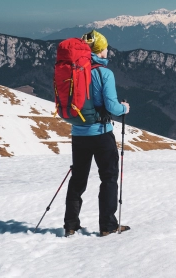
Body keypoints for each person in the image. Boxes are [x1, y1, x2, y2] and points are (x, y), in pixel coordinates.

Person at [63, 30, 130, 237]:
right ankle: (107, 225)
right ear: (100, 50)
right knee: (109, 177)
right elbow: (111, 106)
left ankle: (70, 225)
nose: (108, 50)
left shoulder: (73, 71)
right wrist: (124, 108)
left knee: (78, 179)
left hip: (78, 133)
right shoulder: (104, 73)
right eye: (106, 47)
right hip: (101, 133)